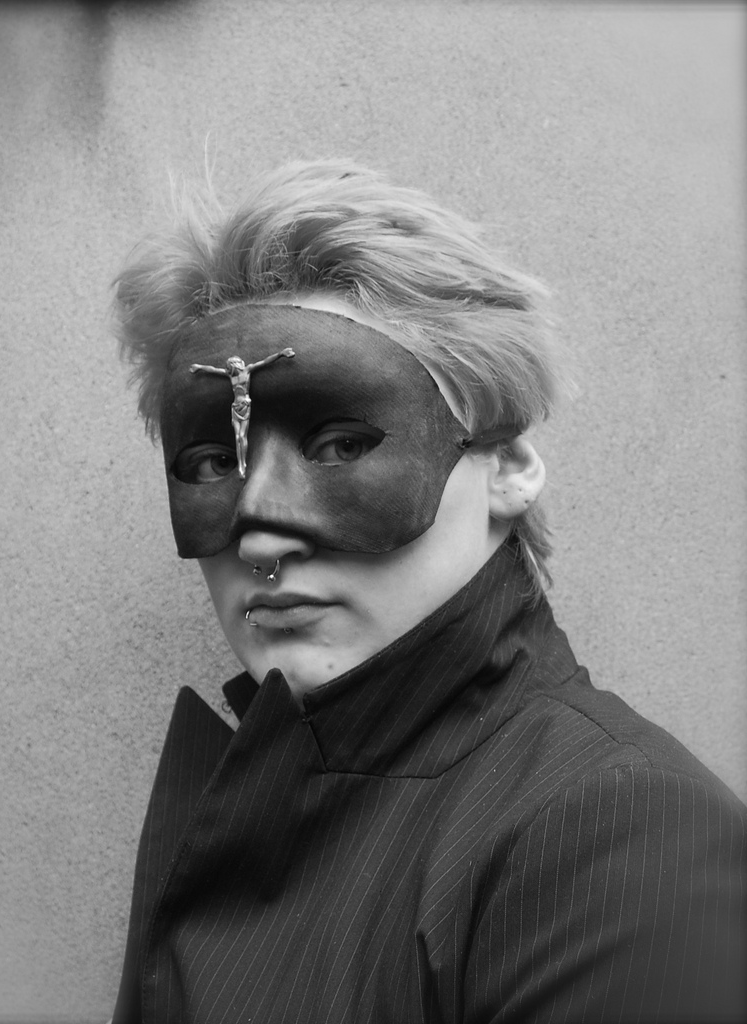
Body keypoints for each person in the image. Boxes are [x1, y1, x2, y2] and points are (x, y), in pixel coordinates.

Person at [110, 161, 745, 1023]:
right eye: (213, 462)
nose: (258, 534)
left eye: (341, 445)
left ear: (506, 465)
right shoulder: (249, 808)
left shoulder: (620, 835)